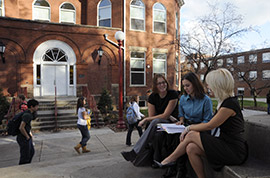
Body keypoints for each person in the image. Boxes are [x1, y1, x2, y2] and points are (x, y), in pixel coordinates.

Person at [155, 68, 248, 178]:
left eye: (210, 84)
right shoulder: (225, 102)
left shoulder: (230, 104)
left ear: (218, 85)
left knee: (191, 134)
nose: (208, 87)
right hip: (223, 143)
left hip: (233, 149)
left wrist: (188, 128)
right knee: (190, 148)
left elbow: (210, 125)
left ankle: (170, 159)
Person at [152, 72, 213, 178]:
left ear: (195, 84)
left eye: (188, 85)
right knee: (170, 135)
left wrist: (190, 128)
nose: (186, 88)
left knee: (181, 137)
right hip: (186, 125)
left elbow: (207, 121)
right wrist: (180, 120)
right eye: (184, 86)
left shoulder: (206, 100)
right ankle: (173, 168)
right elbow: (181, 114)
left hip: (200, 128)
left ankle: (179, 169)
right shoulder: (184, 98)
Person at [121, 74, 179, 164]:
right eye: (159, 83)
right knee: (156, 127)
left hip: (172, 124)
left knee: (155, 121)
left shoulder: (172, 94)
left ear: (166, 83)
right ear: (155, 86)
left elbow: (164, 116)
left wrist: (145, 119)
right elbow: (154, 116)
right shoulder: (152, 97)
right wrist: (165, 116)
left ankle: (135, 152)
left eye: (163, 82)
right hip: (159, 124)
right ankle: (150, 156)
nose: (162, 85)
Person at [17, 99, 39, 165]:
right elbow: (21, 127)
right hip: (23, 137)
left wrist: (30, 135)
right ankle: (22, 169)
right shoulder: (27, 115)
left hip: (27, 136)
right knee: (25, 156)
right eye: (36, 106)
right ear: (32, 107)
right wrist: (27, 136)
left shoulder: (30, 114)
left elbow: (27, 127)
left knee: (31, 152)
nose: (37, 108)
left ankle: (27, 166)